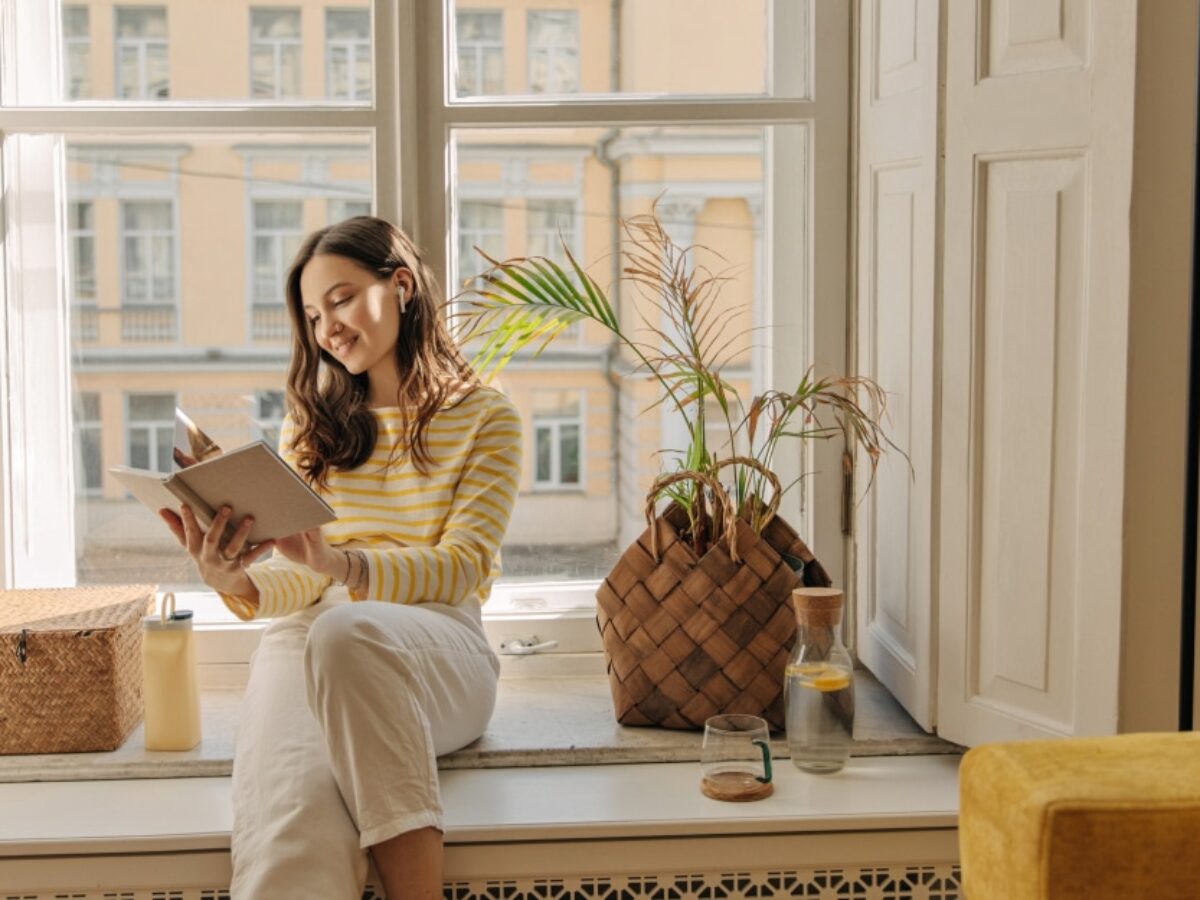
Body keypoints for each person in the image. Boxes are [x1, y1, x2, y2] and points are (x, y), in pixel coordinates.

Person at [158, 216, 522, 900]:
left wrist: (343, 568)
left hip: (439, 647)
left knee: (344, 628)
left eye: (343, 299)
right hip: (314, 634)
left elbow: (463, 566)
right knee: (292, 818)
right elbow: (302, 574)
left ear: (402, 286)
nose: (328, 327)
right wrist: (236, 579)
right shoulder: (312, 423)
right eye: (313, 313)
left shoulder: (487, 418)